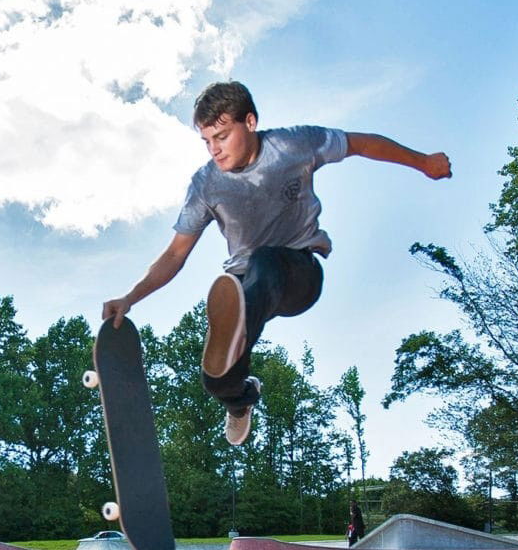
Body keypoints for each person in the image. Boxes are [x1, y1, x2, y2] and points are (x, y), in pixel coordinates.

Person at [101, 81, 452, 445]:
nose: (214, 150)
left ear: (249, 122)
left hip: (298, 272)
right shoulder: (206, 184)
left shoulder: (293, 145)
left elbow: (359, 144)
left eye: (221, 136)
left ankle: (237, 328)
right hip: (246, 285)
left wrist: (422, 162)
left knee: (264, 262)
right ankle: (240, 399)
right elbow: (176, 253)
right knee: (215, 379)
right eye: (207, 142)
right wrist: (130, 298)